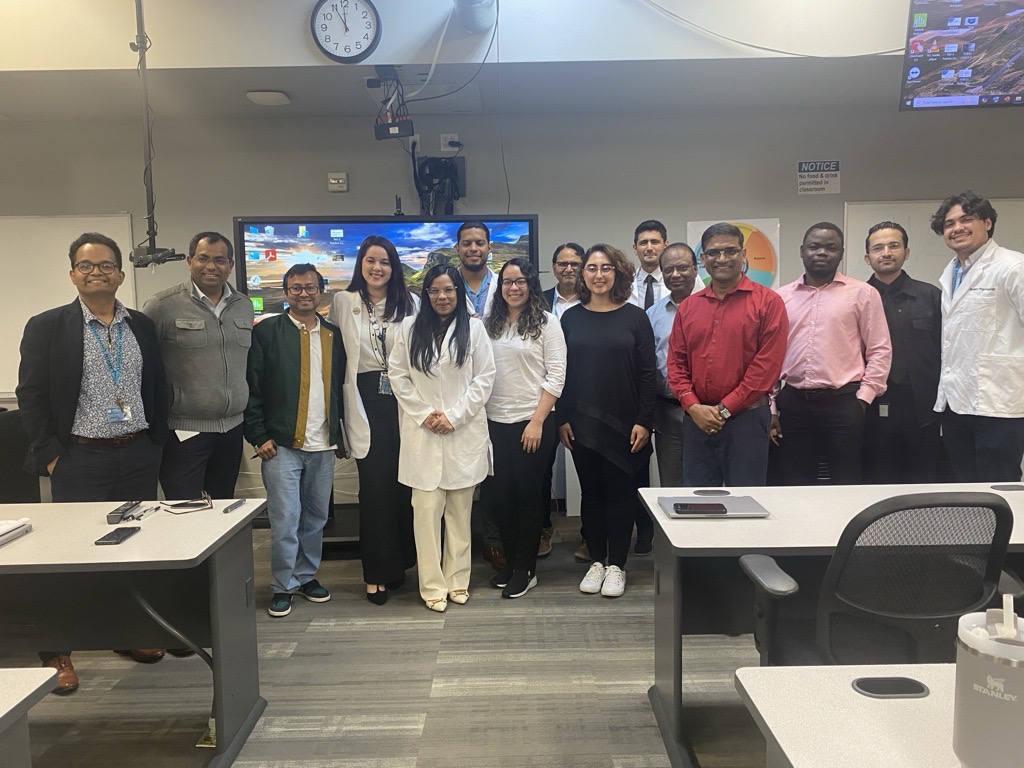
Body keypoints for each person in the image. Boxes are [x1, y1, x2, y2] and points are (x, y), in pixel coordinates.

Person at [16, 231, 169, 694]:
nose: (96, 272)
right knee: (69, 559)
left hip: (137, 454)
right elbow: (31, 395)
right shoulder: (48, 326)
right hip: (79, 458)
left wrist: (155, 442)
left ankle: (127, 634)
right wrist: (52, 457)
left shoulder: (140, 325)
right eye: (86, 266)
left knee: (131, 551)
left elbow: (158, 386)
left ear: (121, 274)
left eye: (105, 265)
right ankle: (57, 651)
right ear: (72, 274)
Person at [389, 264, 495, 612]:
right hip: (423, 434)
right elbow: (398, 375)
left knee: (460, 516)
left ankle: (457, 581)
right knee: (426, 514)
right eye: (434, 290)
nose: (442, 296)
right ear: (426, 294)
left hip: (462, 432)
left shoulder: (475, 328)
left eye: (449, 290)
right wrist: (424, 414)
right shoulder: (409, 327)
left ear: (458, 292)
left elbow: (485, 378)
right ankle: (432, 585)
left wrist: (453, 416)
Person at [244, 263, 345, 618]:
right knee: (286, 519)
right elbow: (251, 386)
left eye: (311, 287)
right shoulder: (268, 331)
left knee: (316, 517)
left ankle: (306, 577)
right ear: (286, 292)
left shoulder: (333, 334)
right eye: (296, 288)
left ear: (322, 290)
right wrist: (259, 436)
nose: (304, 294)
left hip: (323, 445)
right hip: (281, 445)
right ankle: (282, 585)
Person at [558, 244, 656, 598]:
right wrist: (563, 418)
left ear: (618, 273)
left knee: (621, 494)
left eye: (606, 268)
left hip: (627, 423)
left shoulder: (635, 317)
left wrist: (645, 420)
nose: (598, 274)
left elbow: (648, 375)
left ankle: (618, 565)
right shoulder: (569, 318)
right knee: (592, 493)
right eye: (591, 268)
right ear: (582, 274)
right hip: (581, 423)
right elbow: (560, 373)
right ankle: (597, 560)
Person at [328, 236, 418, 605]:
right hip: (364, 398)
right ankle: (376, 574)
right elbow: (335, 356)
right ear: (360, 265)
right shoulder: (343, 301)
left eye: (384, 261)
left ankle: (399, 566)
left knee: (405, 487)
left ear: (394, 267)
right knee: (375, 489)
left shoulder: (409, 301)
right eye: (370, 260)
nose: (377, 268)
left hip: (404, 399)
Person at [667, 224, 788, 486]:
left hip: (746, 421)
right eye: (713, 253)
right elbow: (675, 364)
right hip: (696, 421)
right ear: (703, 259)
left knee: (746, 504)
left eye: (730, 251)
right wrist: (693, 407)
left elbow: (766, 369)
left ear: (743, 254)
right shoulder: (689, 306)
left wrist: (723, 411)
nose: (721, 259)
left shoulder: (768, 303)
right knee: (698, 504)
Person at [772, 223, 891, 485]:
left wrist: (863, 400)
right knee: (795, 483)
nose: (822, 252)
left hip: (845, 403)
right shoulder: (780, 298)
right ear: (802, 251)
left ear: (841, 253)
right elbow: (772, 356)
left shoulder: (863, 294)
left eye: (831, 247)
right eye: (814, 246)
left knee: (846, 481)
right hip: (793, 404)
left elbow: (880, 349)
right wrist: (772, 405)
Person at [142, 231, 253, 500]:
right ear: (189, 261)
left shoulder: (244, 306)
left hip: (231, 431)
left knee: (222, 507)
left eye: (220, 260)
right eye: (203, 258)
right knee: (185, 510)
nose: (211, 266)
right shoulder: (162, 306)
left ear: (231, 265)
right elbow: (143, 367)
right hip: (183, 432)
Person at [483, 258, 566, 598]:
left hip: (532, 424)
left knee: (528, 499)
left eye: (520, 281)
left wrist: (537, 421)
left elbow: (557, 375)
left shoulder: (548, 323)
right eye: (507, 282)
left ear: (531, 285)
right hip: (493, 423)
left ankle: (526, 568)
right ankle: (511, 563)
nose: (513, 288)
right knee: (501, 499)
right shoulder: (490, 324)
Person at [931, 191, 1024, 482]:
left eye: (966, 219)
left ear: (987, 223)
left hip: (999, 404)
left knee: (998, 488)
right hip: (957, 404)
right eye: (949, 224)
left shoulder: (1013, 267)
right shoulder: (952, 272)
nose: (956, 228)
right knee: (966, 487)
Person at [861, 221, 942, 484]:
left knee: (922, 481)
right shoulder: (855, 298)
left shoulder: (930, 296)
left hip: (922, 408)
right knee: (875, 481)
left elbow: (947, 351)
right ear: (867, 257)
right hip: (869, 408)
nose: (886, 252)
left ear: (906, 252)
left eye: (894, 245)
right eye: (878, 247)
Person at [453, 220, 503, 569]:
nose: (473, 248)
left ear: (489, 248)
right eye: (467, 243)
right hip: (454, 390)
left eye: (479, 242)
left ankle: (493, 539)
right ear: (458, 247)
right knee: (456, 470)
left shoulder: (504, 285)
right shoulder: (445, 285)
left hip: (497, 388)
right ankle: (456, 545)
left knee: (492, 472)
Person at [540, 242, 584, 558]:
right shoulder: (538, 302)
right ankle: (543, 530)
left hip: (583, 400)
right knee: (541, 471)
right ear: (553, 266)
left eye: (574, 263)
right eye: (561, 263)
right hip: (544, 401)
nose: (568, 268)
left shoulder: (597, 300)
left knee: (589, 471)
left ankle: (590, 535)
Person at [646, 242, 698, 487]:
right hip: (667, 410)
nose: (675, 275)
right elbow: (649, 365)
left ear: (696, 269)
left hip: (708, 410)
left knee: (707, 480)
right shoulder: (652, 314)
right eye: (668, 270)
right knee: (672, 481)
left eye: (682, 268)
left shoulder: (714, 307)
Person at [628, 219, 668, 310]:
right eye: (643, 243)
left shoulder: (685, 280)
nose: (649, 248)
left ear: (665, 246)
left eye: (655, 242)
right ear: (635, 249)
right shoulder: (623, 283)